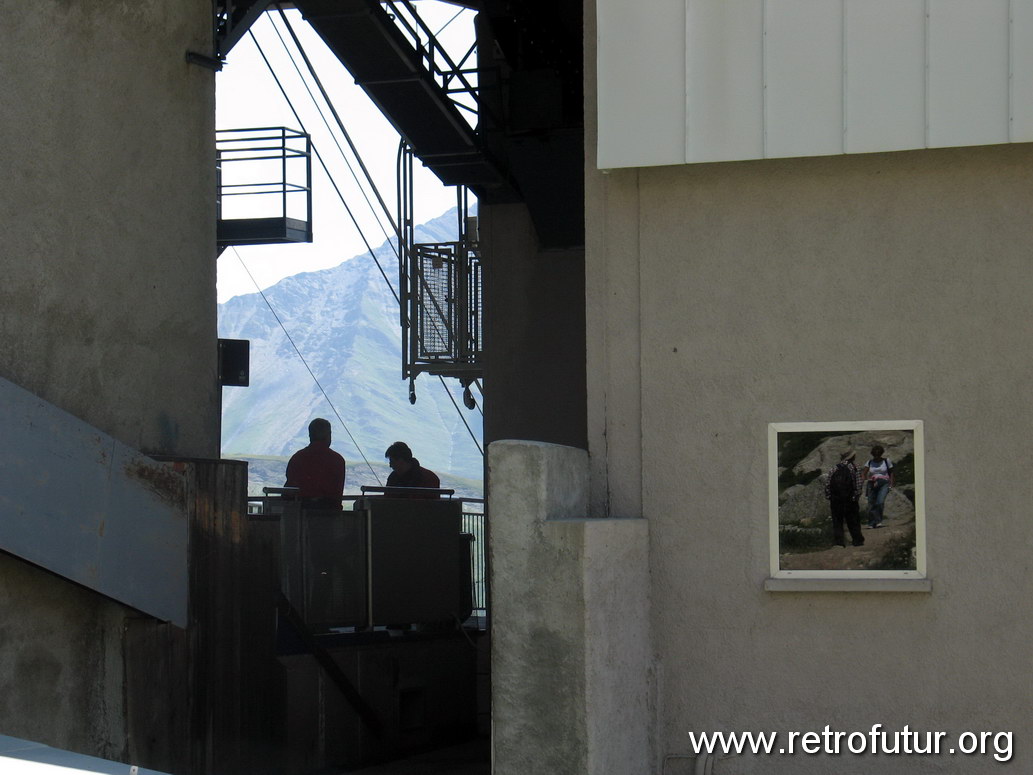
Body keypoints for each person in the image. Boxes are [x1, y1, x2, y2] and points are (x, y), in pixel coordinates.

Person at [284, 418, 346, 510]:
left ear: (310, 435)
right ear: (328, 435)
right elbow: (337, 494)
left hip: (300, 513)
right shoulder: (337, 460)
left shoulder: (297, 458)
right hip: (330, 515)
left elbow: (289, 489)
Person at [823, 449, 864, 548]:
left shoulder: (834, 468)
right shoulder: (854, 467)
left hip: (836, 499)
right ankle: (857, 540)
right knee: (853, 520)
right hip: (850, 499)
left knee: (837, 521)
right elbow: (858, 484)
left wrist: (830, 496)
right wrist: (856, 496)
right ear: (852, 457)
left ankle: (839, 542)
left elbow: (827, 484)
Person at [862, 445, 895, 529]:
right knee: (871, 503)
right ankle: (871, 522)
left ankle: (878, 521)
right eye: (875, 455)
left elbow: (891, 473)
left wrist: (891, 484)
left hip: (884, 483)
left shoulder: (886, 461)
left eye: (878, 455)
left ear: (881, 454)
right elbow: (863, 473)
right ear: (873, 454)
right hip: (872, 483)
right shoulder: (869, 462)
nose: (876, 457)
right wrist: (865, 480)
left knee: (880, 502)